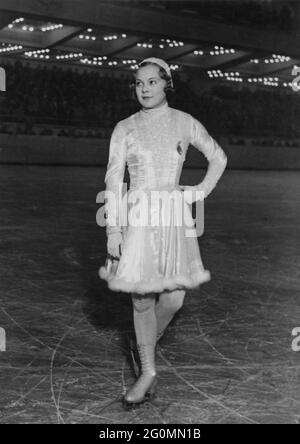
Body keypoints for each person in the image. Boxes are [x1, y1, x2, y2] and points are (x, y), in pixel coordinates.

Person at [99, 57, 227, 408]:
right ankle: (149, 371)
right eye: (139, 83)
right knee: (141, 299)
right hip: (136, 216)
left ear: (166, 83)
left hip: (173, 217)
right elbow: (114, 179)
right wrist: (114, 228)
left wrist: (198, 192)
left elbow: (218, 157)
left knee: (173, 298)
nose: (144, 89)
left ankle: (144, 352)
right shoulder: (124, 128)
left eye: (152, 82)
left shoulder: (185, 123)